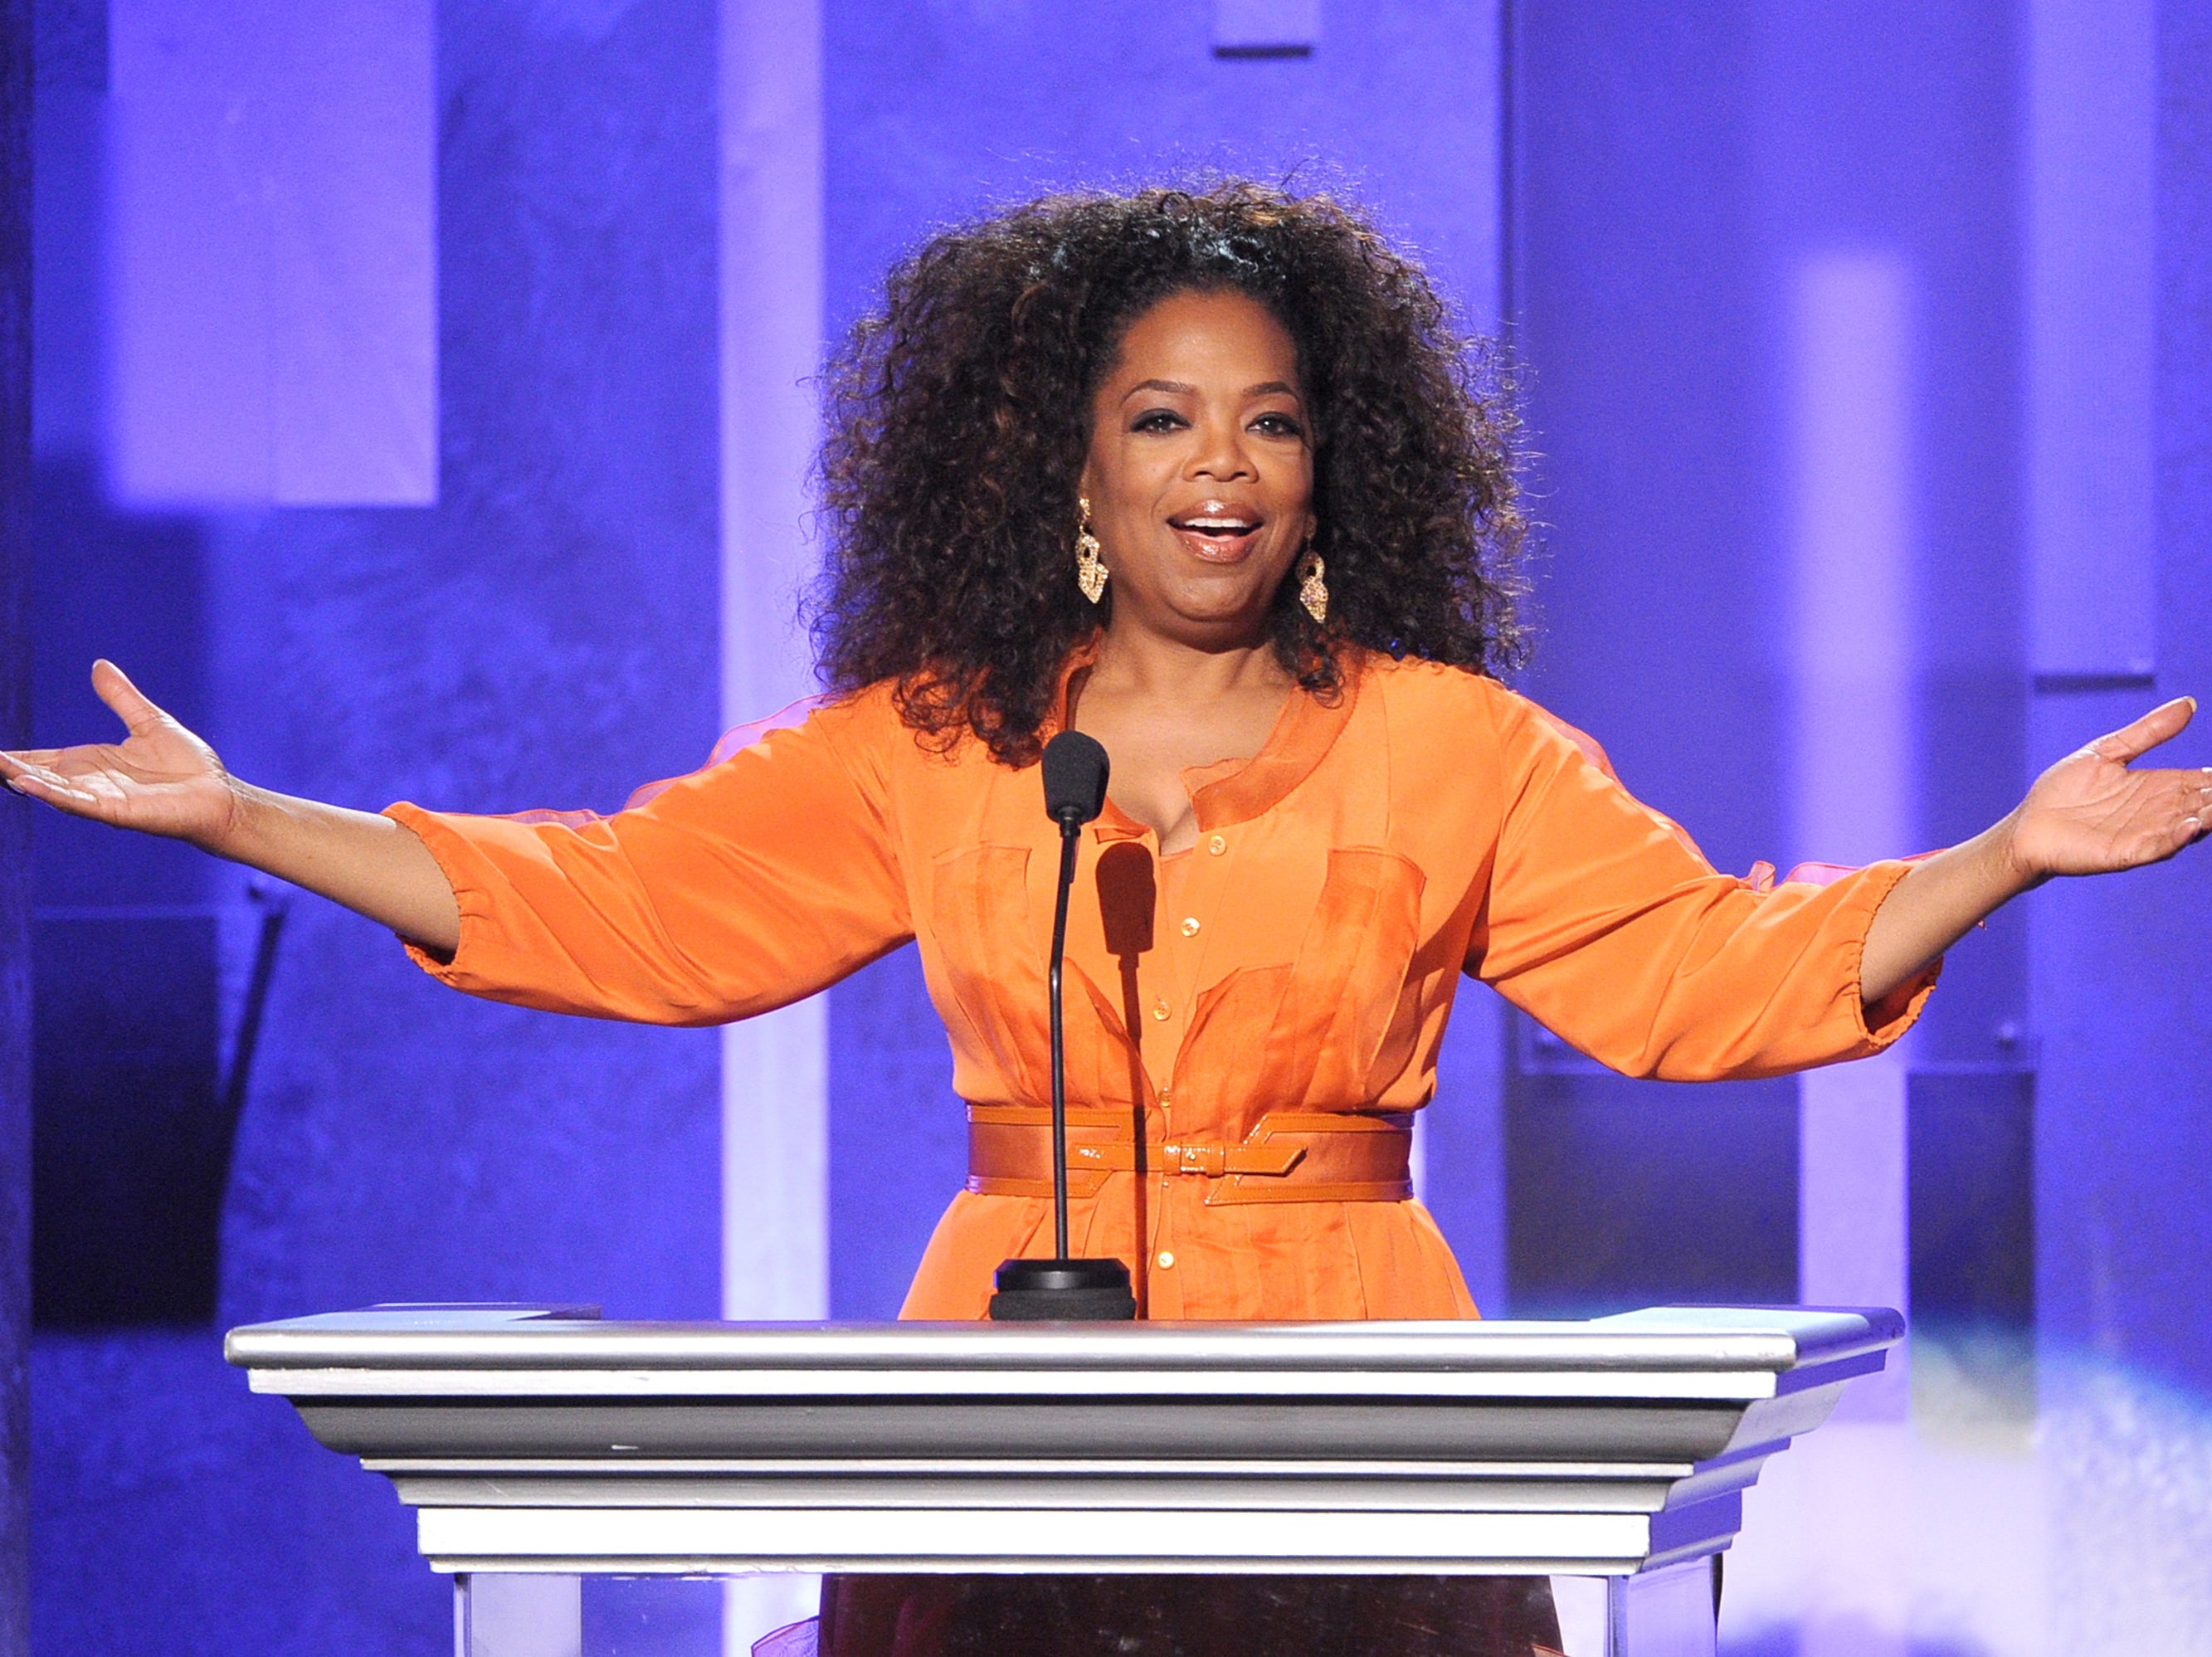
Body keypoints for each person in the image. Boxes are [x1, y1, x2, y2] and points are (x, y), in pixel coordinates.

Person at [7, 182, 2207, 1656]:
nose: (1214, 462)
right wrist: (247, 819)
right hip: (1001, 1379)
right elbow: (633, 903)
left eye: (1264, 420)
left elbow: (1693, 970)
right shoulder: (936, 735)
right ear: (1060, 470)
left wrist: (1999, 853)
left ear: (1333, 467)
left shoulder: (1455, 747)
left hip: (1364, 1381)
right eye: (1157, 416)